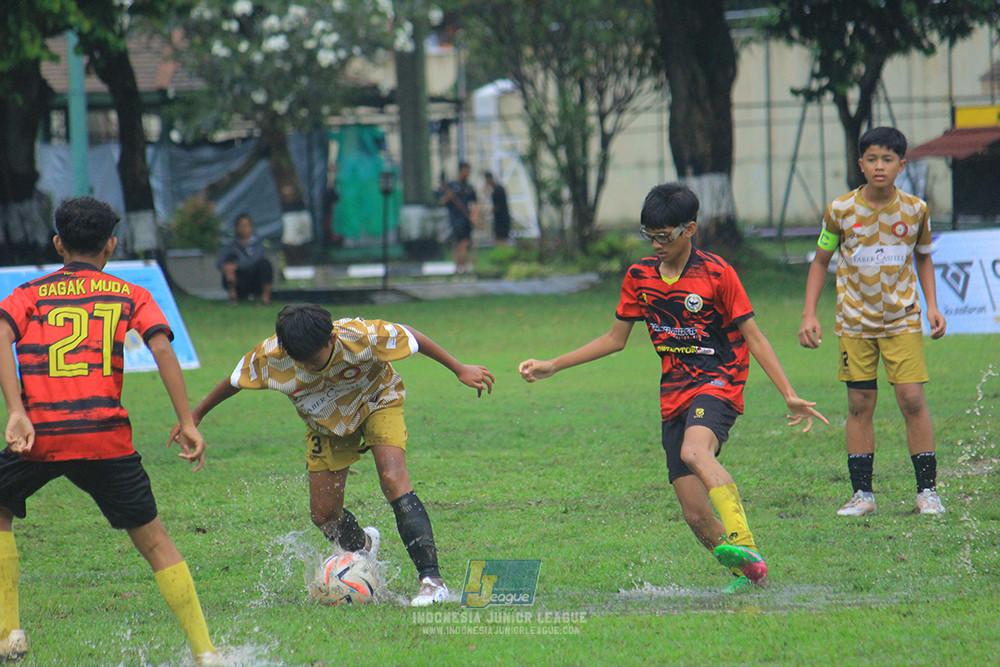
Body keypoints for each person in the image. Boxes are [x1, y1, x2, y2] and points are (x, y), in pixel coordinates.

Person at [519, 183, 827, 593]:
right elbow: (615, 339)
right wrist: (552, 365)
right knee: (694, 513)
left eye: (664, 236)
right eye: (649, 235)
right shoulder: (640, 277)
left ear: (690, 229)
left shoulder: (717, 274)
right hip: (674, 393)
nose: (656, 244)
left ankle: (747, 545)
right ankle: (748, 575)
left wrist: (787, 392)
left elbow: (754, 336)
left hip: (720, 379)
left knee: (694, 451)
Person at [0, 197, 219, 665]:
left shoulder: (29, 295)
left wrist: (16, 408)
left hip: (42, 435)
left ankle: (9, 633)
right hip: (106, 437)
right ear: (112, 245)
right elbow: (160, 350)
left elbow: (0, 334)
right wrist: (185, 421)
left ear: (58, 243)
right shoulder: (130, 293)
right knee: (155, 540)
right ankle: (205, 652)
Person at [175, 304, 494, 606]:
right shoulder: (272, 355)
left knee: (394, 479)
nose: (309, 366)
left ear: (331, 338)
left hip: (377, 402)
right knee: (324, 517)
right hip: (326, 425)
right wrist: (195, 416)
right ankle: (363, 548)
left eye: (315, 358)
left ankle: (431, 581)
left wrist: (459, 368)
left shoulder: (360, 335)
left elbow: (410, 335)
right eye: (301, 360)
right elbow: (234, 381)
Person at [799, 126, 947, 517]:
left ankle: (927, 492)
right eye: (871, 159)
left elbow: (924, 257)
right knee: (860, 403)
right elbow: (820, 262)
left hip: (901, 321)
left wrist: (933, 306)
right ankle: (862, 494)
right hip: (854, 324)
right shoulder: (840, 210)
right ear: (860, 164)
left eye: (887, 159)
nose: (879, 166)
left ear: (901, 164)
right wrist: (809, 313)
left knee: (912, 399)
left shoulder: (916, 210)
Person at [217, 213, 273, 306]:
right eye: (241, 226)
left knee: (265, 264)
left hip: (254, 278)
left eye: (246, 225)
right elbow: (219, 262)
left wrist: (237, 265)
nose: (243, 229)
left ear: (251, 227)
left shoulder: (258, 245)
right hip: (238, 279)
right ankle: (233, 296)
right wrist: (228, 267)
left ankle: (265, 298)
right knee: (229, 264)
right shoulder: (230, 246)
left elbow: (254, 260)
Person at [438, 162, 479, 274]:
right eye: (466, 171)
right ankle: (459, 266)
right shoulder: (451, 185)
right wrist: (449, 197)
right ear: (461, 170)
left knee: (465, 242)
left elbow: (475, 204)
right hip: (455, 219)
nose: (468, 173)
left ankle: (462, 266)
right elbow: (441, 202)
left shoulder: (469, 188)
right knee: (459, 243)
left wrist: (474, 217)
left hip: (466, 219)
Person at [483, 171, 511, 245]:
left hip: (502, 217)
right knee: (499, 237)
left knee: (501, 238)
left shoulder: (498, 190)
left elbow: (499, 205)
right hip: (499, 217)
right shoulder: (496, 189)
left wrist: (488, 213)